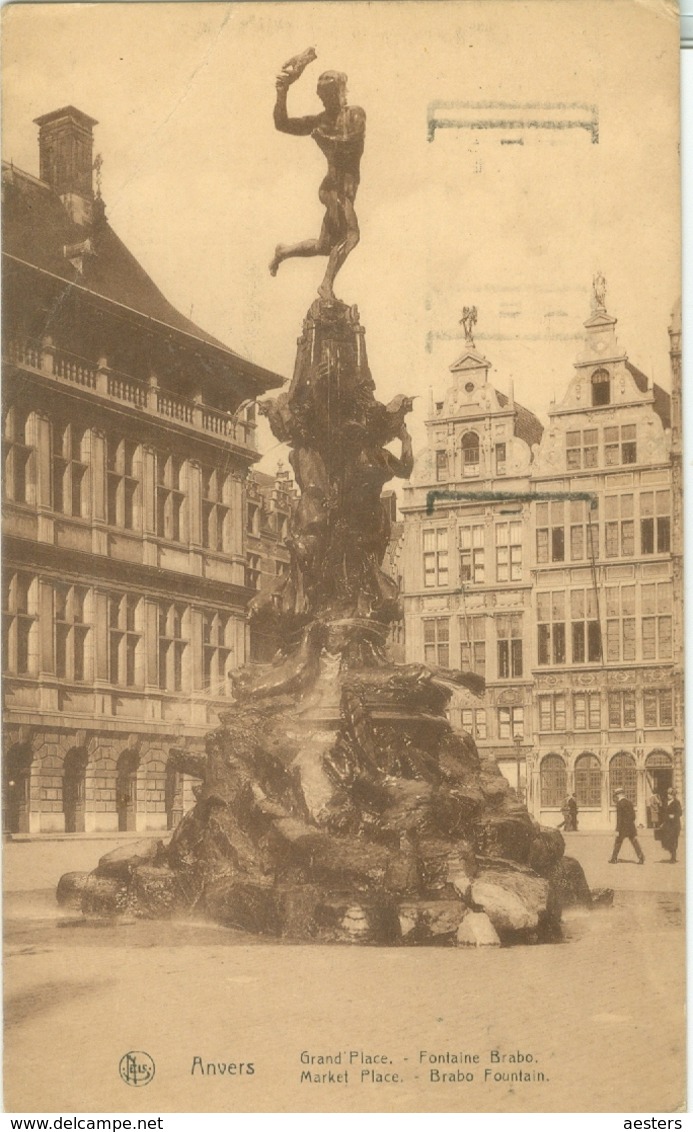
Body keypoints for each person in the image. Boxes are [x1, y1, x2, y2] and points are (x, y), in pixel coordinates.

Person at [270, 50, 366, 300]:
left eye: (329, 96)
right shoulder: (321, 121)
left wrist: (325, 142)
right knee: (351, 235)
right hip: (332, 189)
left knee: (324, 246)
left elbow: (350, 142)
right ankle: (326, 285)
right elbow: (282, 124)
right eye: (322, 97)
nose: (326, 102)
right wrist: (282, 93)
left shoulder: (354, 114)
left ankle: (284, 251)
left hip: (347, 188)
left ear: (340, 93)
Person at [609, 787, 645, 864]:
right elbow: (633, 816)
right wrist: (629, 823)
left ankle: (614, 858)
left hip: (622, 827)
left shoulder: (619, 804)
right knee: (634, 842)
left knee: (618, 842)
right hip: (631, 826)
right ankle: (641, 857)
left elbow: (619, 818)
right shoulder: (629, 802)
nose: (616, 796)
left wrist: (617, 830)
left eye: (616, 795)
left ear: (618, 795)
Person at [659, 786, 682, 863]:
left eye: (670, 794)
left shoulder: (676, 802)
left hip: (675, 825)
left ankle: (673, 858)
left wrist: (674, 815)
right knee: (666, 841)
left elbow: (680, 813)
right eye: (668, 794)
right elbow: (663, 813)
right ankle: (672, 853)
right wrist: (662, 823)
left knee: (673, 840)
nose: (668, 795)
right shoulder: (665, 802)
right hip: (667, 824)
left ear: (673, 795)